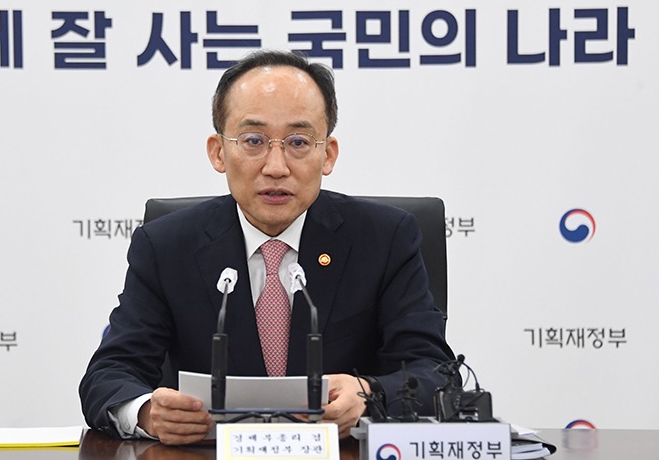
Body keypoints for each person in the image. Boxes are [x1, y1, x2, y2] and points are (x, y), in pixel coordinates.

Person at [79, 50, 454, 445]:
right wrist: (146, 413)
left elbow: (435, 372)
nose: (276, 166)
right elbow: (108, 375)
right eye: (254, 141)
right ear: (218, 151)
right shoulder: (166, 246)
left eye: (298, 142)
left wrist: (370, 394)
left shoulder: (385, 238)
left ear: (327, 154)